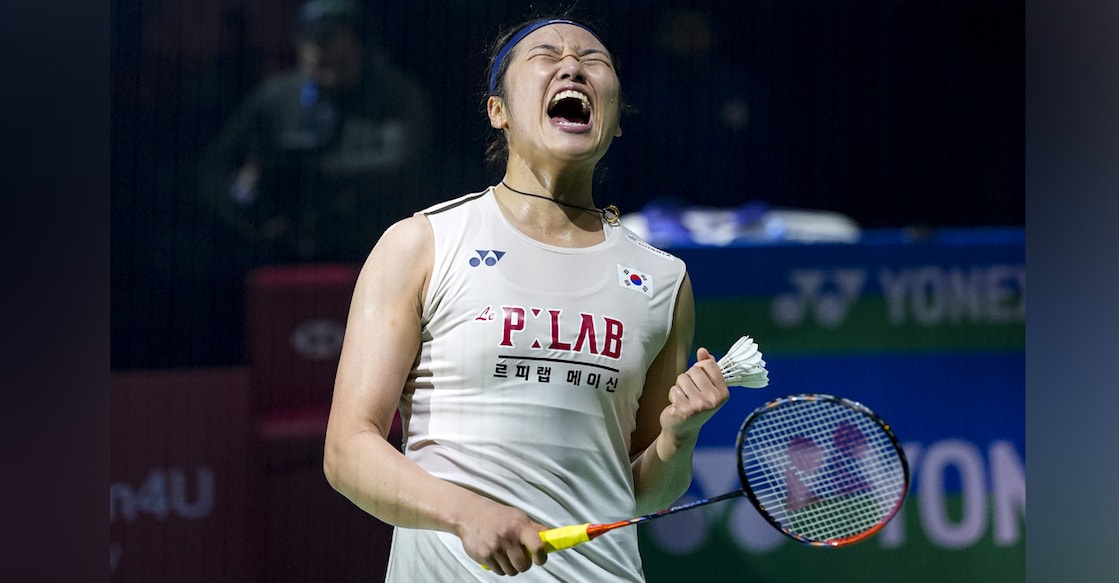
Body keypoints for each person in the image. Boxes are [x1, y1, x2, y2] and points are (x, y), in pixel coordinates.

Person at [323, 17, 729, 581]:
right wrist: (465, 514)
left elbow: (638, 492)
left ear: (615, 124)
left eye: (595, 61)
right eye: (547, 54)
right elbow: (347, 451)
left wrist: (678, 440)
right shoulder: (423, 244)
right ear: (498, 111)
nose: (572, 66)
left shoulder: (662, 280)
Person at [200, 0, 436, 265]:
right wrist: (246, 200)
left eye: (339, 52)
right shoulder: (276, 98)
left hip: (373, 251)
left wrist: (309, 170)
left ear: (363, 45)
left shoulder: (397, 96)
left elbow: (403, 163)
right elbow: (215, 170)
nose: (326, 59)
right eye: (315, 47)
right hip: (285, 253)